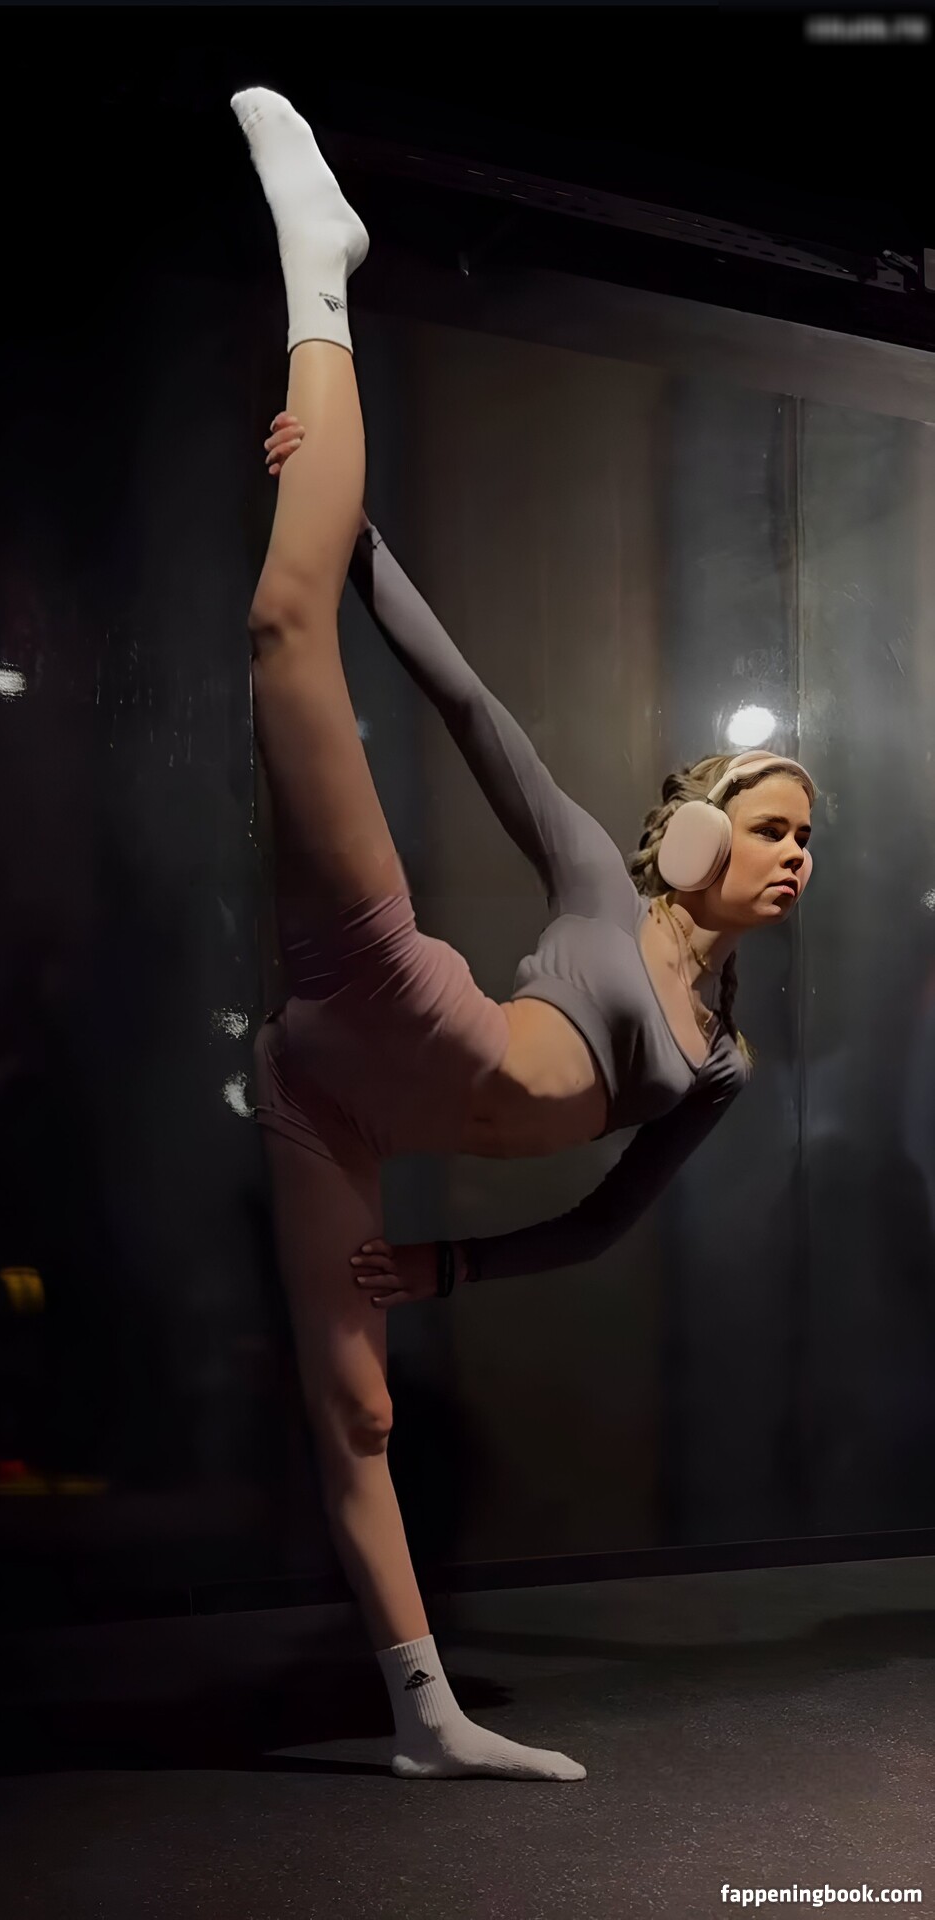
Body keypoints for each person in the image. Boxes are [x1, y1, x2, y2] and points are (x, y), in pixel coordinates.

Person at [234, 87, 816, 1783]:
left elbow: (600, 1222)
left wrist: (448, 1269)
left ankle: (425, 1722)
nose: (793, 857)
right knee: (287, 625)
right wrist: (357, 541)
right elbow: (473, 709)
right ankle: (319, 272)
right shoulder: (595, 884)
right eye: (772, 826)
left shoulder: (722, 1062)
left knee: (360, 1408)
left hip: (331, 1107)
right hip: (388, 1003)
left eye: (807, 842)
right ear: (692, 837)